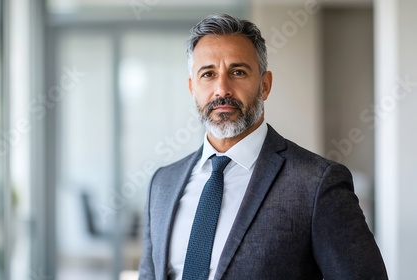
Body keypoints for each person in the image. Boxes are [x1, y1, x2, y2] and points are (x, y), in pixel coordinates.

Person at [138, 13, 388, 280]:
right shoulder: (163, 183)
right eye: (208, 74)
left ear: (265, 85)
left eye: (238, 72)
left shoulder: (317, 183)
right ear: (192, 88)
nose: (222, 89)